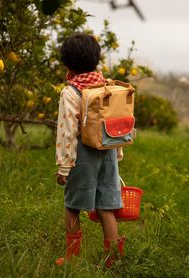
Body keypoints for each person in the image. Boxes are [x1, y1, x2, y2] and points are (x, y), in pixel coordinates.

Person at [55, 33, 125, 266]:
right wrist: (117, 154)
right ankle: (112, 260)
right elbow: (115, 124)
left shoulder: (71, 92)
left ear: (68, 64)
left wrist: (64, 167)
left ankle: (72, 259)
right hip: (107, 155)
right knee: (106, 208)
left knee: (72, 206)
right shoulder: (108, 87)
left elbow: (67, 132)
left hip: (82, 157)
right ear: (96, 60)